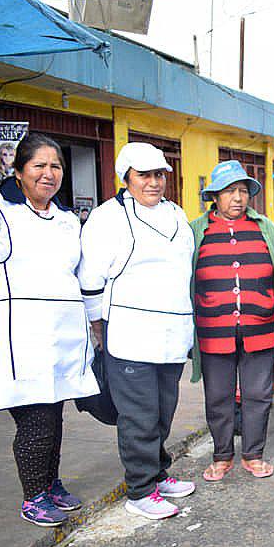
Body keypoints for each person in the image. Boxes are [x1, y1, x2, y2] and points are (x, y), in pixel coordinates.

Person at [0, 133, 99, 526]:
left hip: (60, 336)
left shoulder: (67, 219)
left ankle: (51, 483)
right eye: (39, 166)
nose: (49, 174)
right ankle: (33, 495)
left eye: (56, 167)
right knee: (36, 417)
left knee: (54, 413)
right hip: (15, 339)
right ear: (17, 170)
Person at [78, 142, 196, 520]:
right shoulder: (107, 217)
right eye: (144, 175)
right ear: (126, 177)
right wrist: (98, 327)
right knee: (138, 414)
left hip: (172, 331)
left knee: (163, 410)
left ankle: (158, 474)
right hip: (130, 332)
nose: (154, 182)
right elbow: (90, 277)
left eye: (159, 174)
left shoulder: (176, 213)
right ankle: (140, 489)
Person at [189, 160, 274, 481]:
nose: (238, 198)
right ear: (214, 197)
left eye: (243, 191)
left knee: (258, 395)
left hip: (260, 329)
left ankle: (253, 454)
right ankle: (221, 456)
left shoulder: (265, 228)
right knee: (218, 395)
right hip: (213, 331)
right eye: (230, 191)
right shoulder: (196, 231)